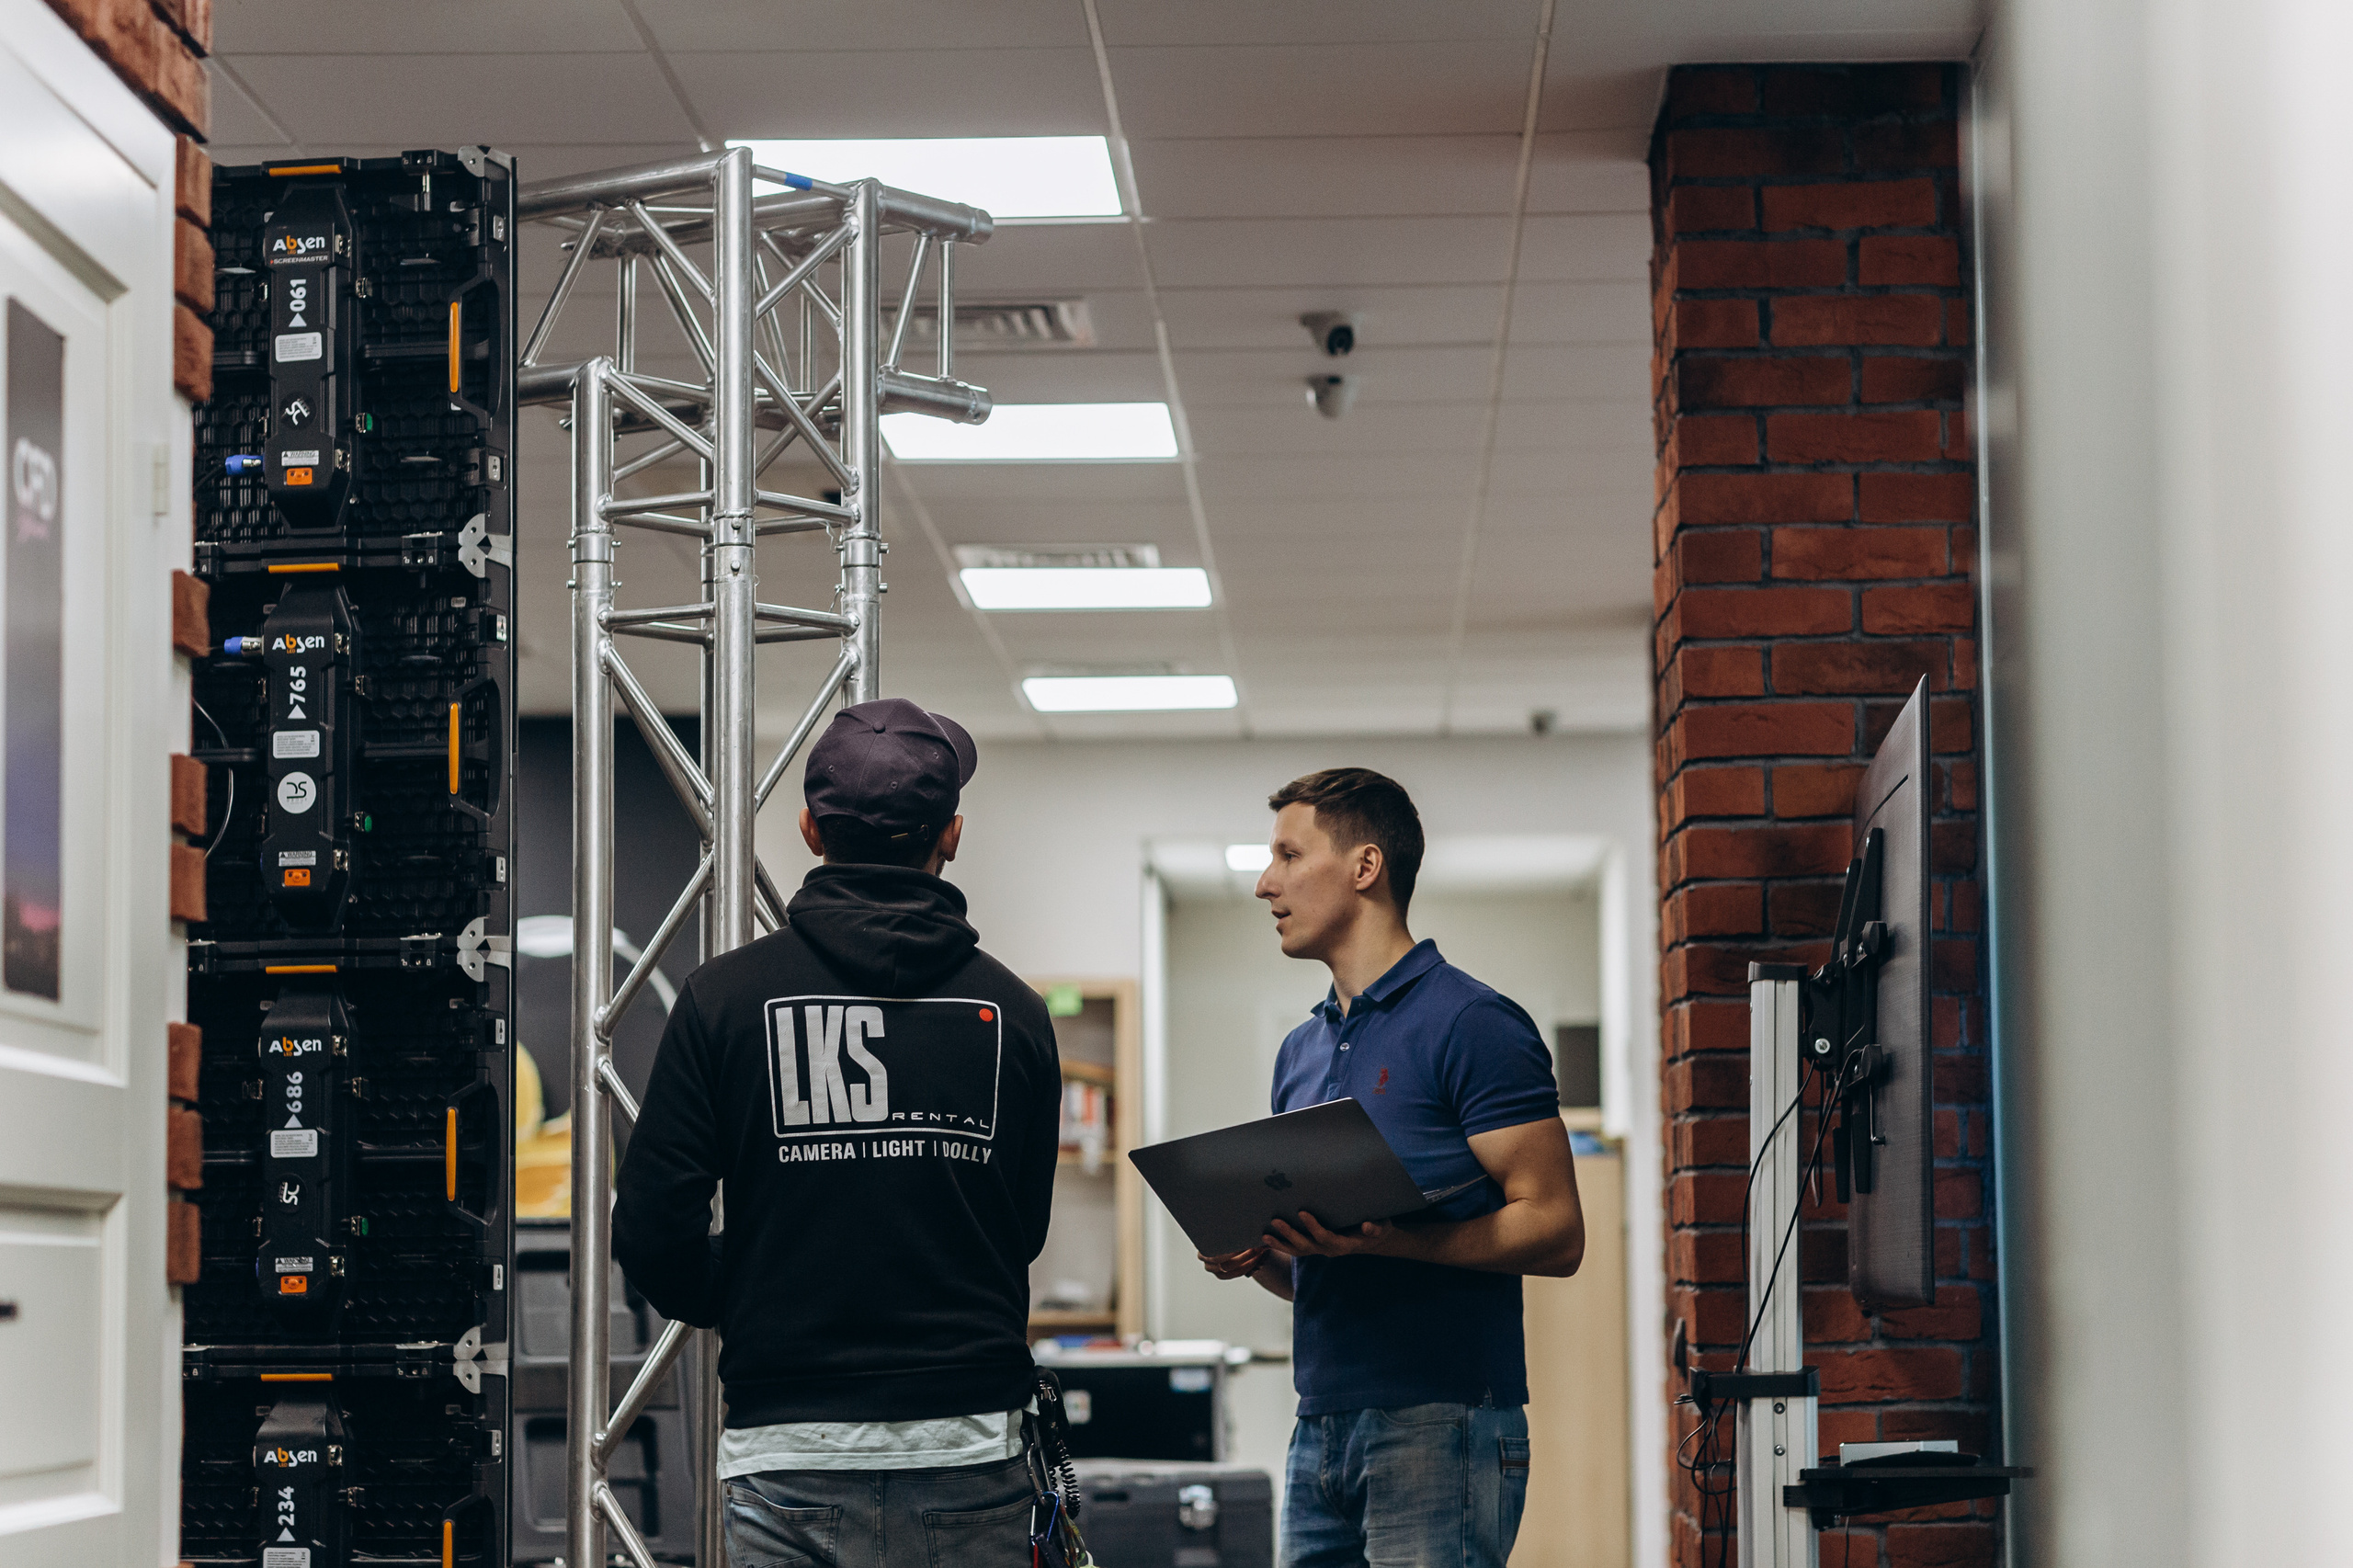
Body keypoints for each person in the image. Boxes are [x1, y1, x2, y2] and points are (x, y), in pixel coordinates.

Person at [613, 698, 1060, 1568]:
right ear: (952, 835)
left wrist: (753, 1286)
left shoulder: (723, 1000)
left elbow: (652, 1230)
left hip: (788, 1450)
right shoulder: (1014, 1011)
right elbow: (1021, 1229)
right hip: (968, 1447)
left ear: (811, 830)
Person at [1202, 767, 1586, 1568]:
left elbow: (1556, 1231)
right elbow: (1328, 1268)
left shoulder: (1473, 1023)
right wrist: (1258, 1255)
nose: (1265, 883)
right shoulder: (1300, 1050)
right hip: (1319, 1425)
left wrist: (1397, 1242)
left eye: (1288, 855)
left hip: (1441, 1423)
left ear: (1365, 867)